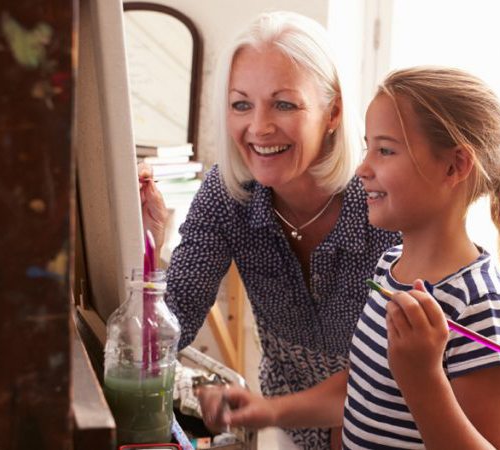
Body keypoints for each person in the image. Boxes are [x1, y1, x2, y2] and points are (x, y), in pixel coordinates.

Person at [139, 11, 400, 449]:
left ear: (333, 111)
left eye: (284, 104)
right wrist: (148, 246)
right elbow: (169, 328)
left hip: (387, 427)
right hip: (288, 431)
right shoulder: (228, 195)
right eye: (241, 104)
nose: (259, 127)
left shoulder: (382, 200)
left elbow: (391, 373)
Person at [343, 66, 500, 448]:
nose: (362, 168)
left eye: (385, 150)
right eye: (367, 148)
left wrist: (423, 379)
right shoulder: (388, 265)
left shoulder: (484, 308)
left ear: (454, 166)